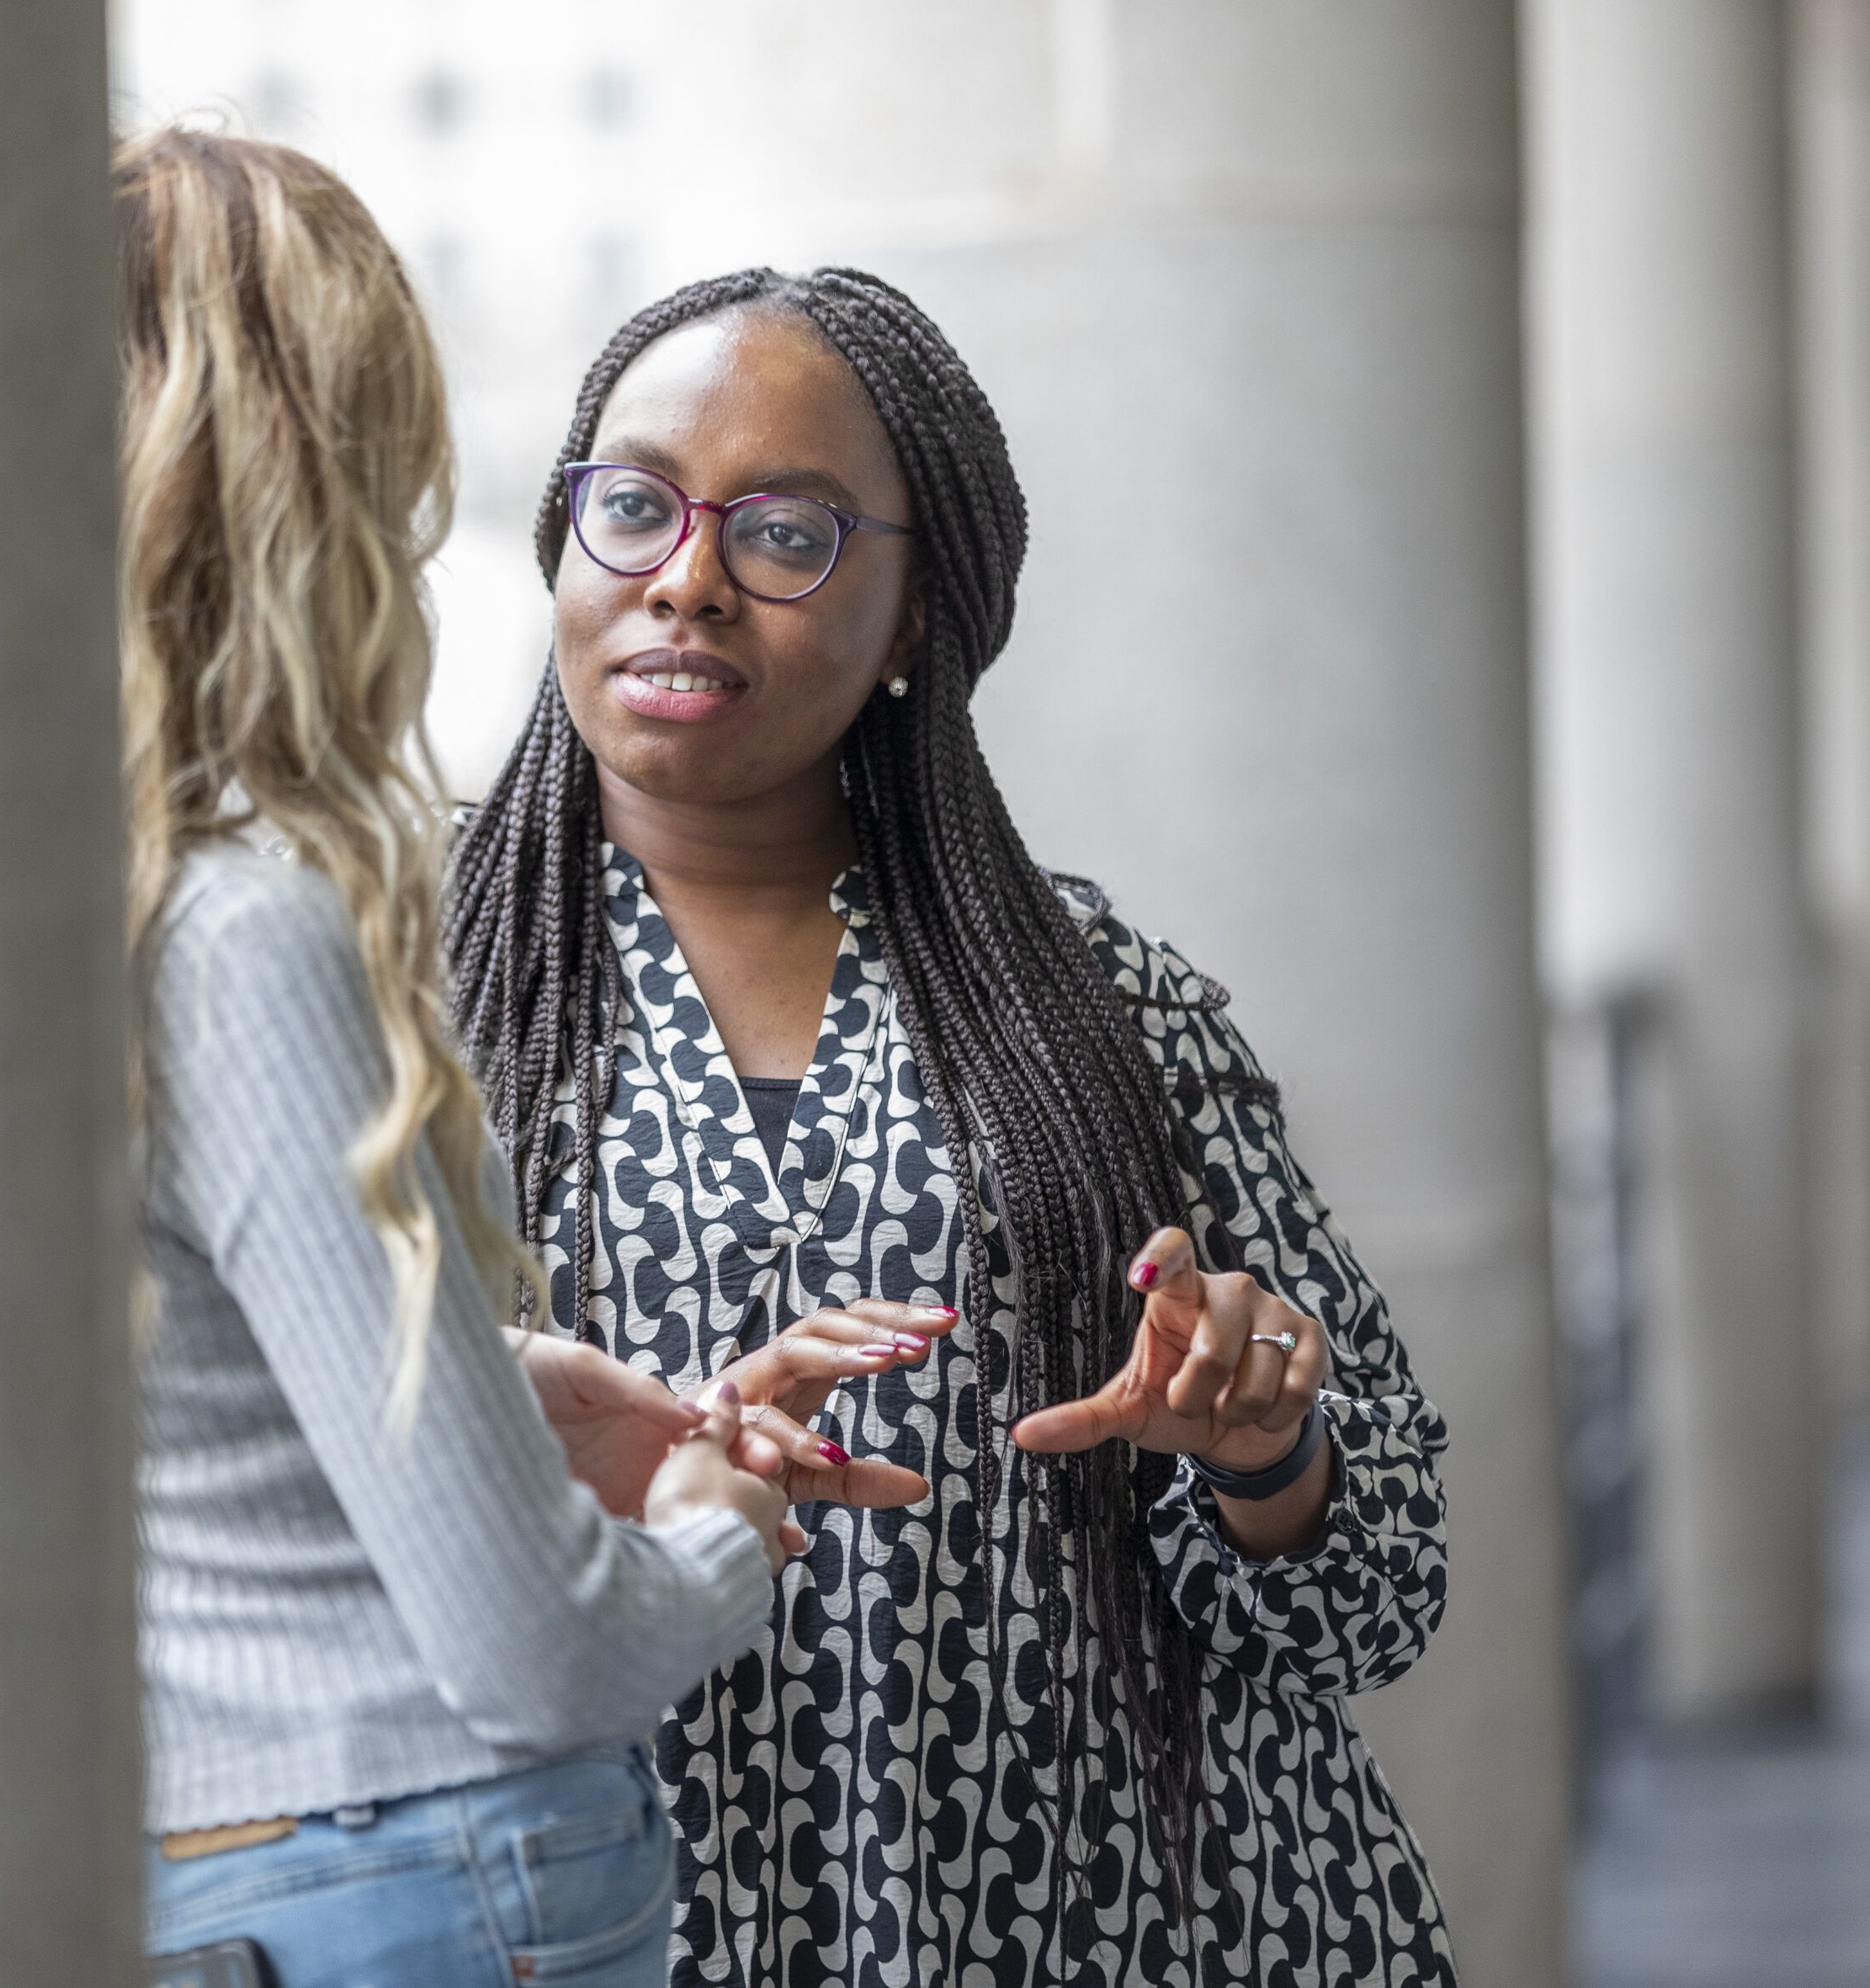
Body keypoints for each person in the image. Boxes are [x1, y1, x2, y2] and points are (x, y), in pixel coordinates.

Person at [446, 268, 1459, 1988]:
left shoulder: (1100, 1006)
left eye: (786, 532)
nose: (682, 578)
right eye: (630, 507)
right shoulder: (384, 990)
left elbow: (1379, 1589)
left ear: (919, 614)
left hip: (1119, 1919)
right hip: (605, 1925)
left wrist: (1255, 1446)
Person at [117, 134, 914, 1988]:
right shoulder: (246, 929)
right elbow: (542, 1653)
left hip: (213, 1865)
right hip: (412, 1880)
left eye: (784, 532)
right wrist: (725, 1522)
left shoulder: (51, 916)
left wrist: (488, 1383)